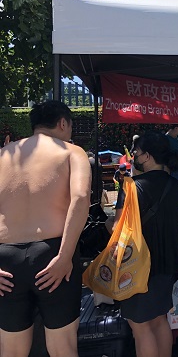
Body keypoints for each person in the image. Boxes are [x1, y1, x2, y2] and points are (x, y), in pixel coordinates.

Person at [0, 100, 91, 357]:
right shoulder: (72, 152)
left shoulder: (4, 154)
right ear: (63, 123)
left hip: (6, 258)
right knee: (63, 348)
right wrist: (65, 256)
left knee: (11, 351)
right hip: (53, 253)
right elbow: (81, 197)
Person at [112, 131, 178, 357]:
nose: (133, 156)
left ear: (148, 156)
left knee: (141, 327)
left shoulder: (131, 187)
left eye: (136, 152)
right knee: (160, 320)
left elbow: (117, 229)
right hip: (168, 263)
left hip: (137, 267)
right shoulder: (176, 185)